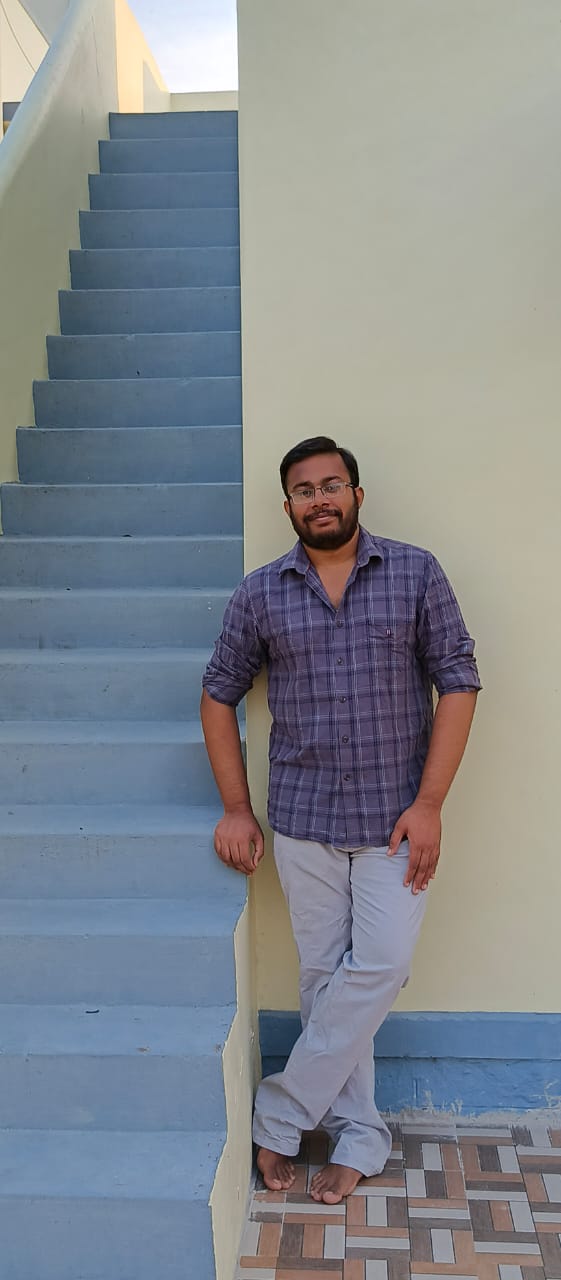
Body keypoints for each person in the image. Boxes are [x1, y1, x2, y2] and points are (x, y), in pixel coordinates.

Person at [200, 435, 481, 1204]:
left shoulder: (415, 572)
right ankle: (358, 1135)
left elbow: (457, 682)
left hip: (396, 821)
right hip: (302, 819)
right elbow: (218, 694)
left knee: (381, 963)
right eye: (304, 489)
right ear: (287, 505)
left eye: (331, 485)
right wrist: (236, 808)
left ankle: (279, 1114)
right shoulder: (260, 592)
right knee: (324, 981)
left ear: (356, 494)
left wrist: (429, 805)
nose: (318, 499)